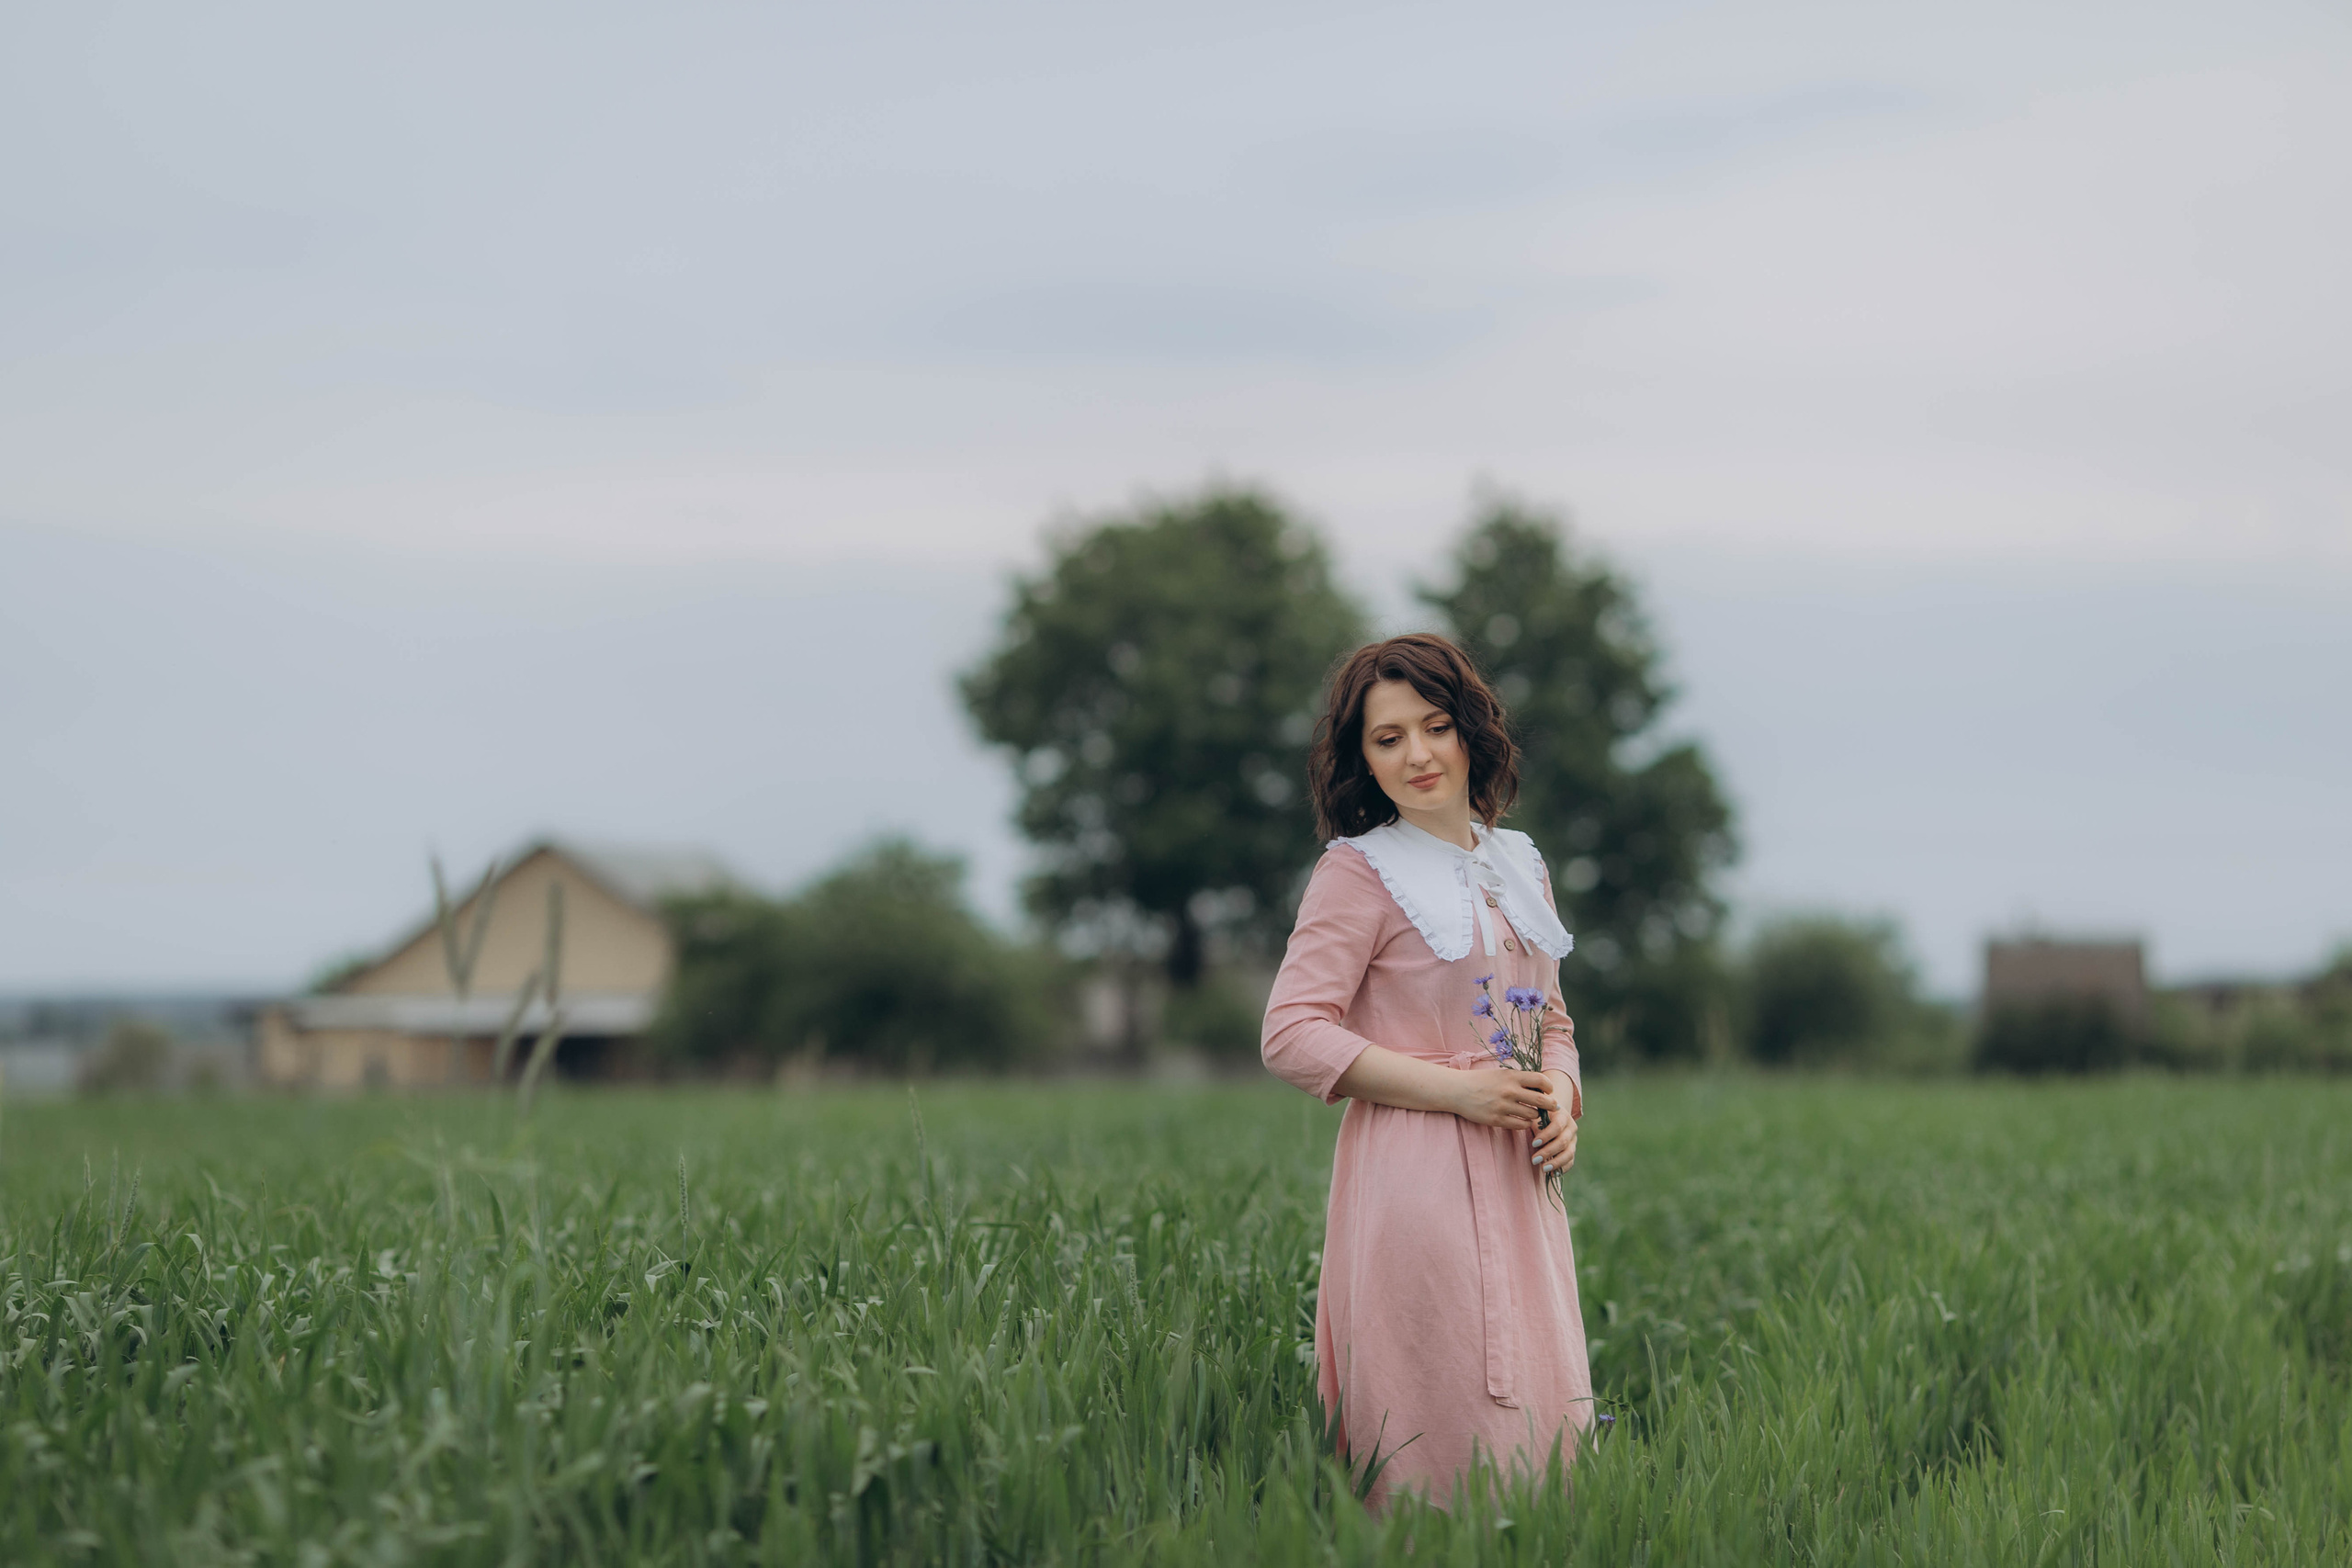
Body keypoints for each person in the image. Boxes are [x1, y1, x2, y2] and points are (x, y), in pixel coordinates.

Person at [1261, 632, 1592, 1509]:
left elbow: (1549, 1019)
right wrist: (1459, 1089)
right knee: (1438, 1431)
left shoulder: (1520, 864)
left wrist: (1559, 1096)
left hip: (1526, 1183)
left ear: (1470, 731)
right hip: (1415, 1180)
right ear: (1362, 759)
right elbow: (1290, 1031)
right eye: (1387, 737)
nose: (1416, 754)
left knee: (1542, 1429)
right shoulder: (1357, 873)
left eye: (1434, 726)